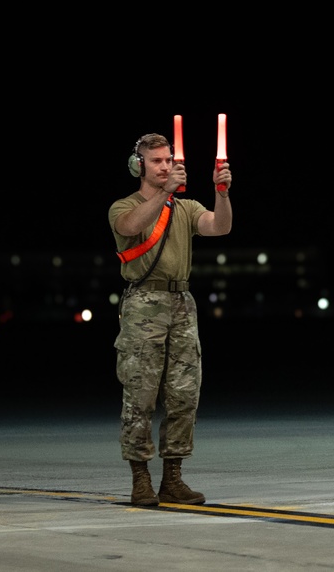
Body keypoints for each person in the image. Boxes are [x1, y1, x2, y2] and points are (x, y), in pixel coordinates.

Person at [109, 132, 232, 506]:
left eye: (168, 160)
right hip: (144, 305)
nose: (165, 166)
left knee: (183, 395)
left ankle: (173, 479)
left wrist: (222, 193)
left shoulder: (186, 208)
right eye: (157, 161)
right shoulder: (122, 205)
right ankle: (140, 479)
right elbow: (130, 227)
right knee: (140, 395)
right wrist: (165, 194)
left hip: (182, 301)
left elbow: (219, 226)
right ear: (139, 165)